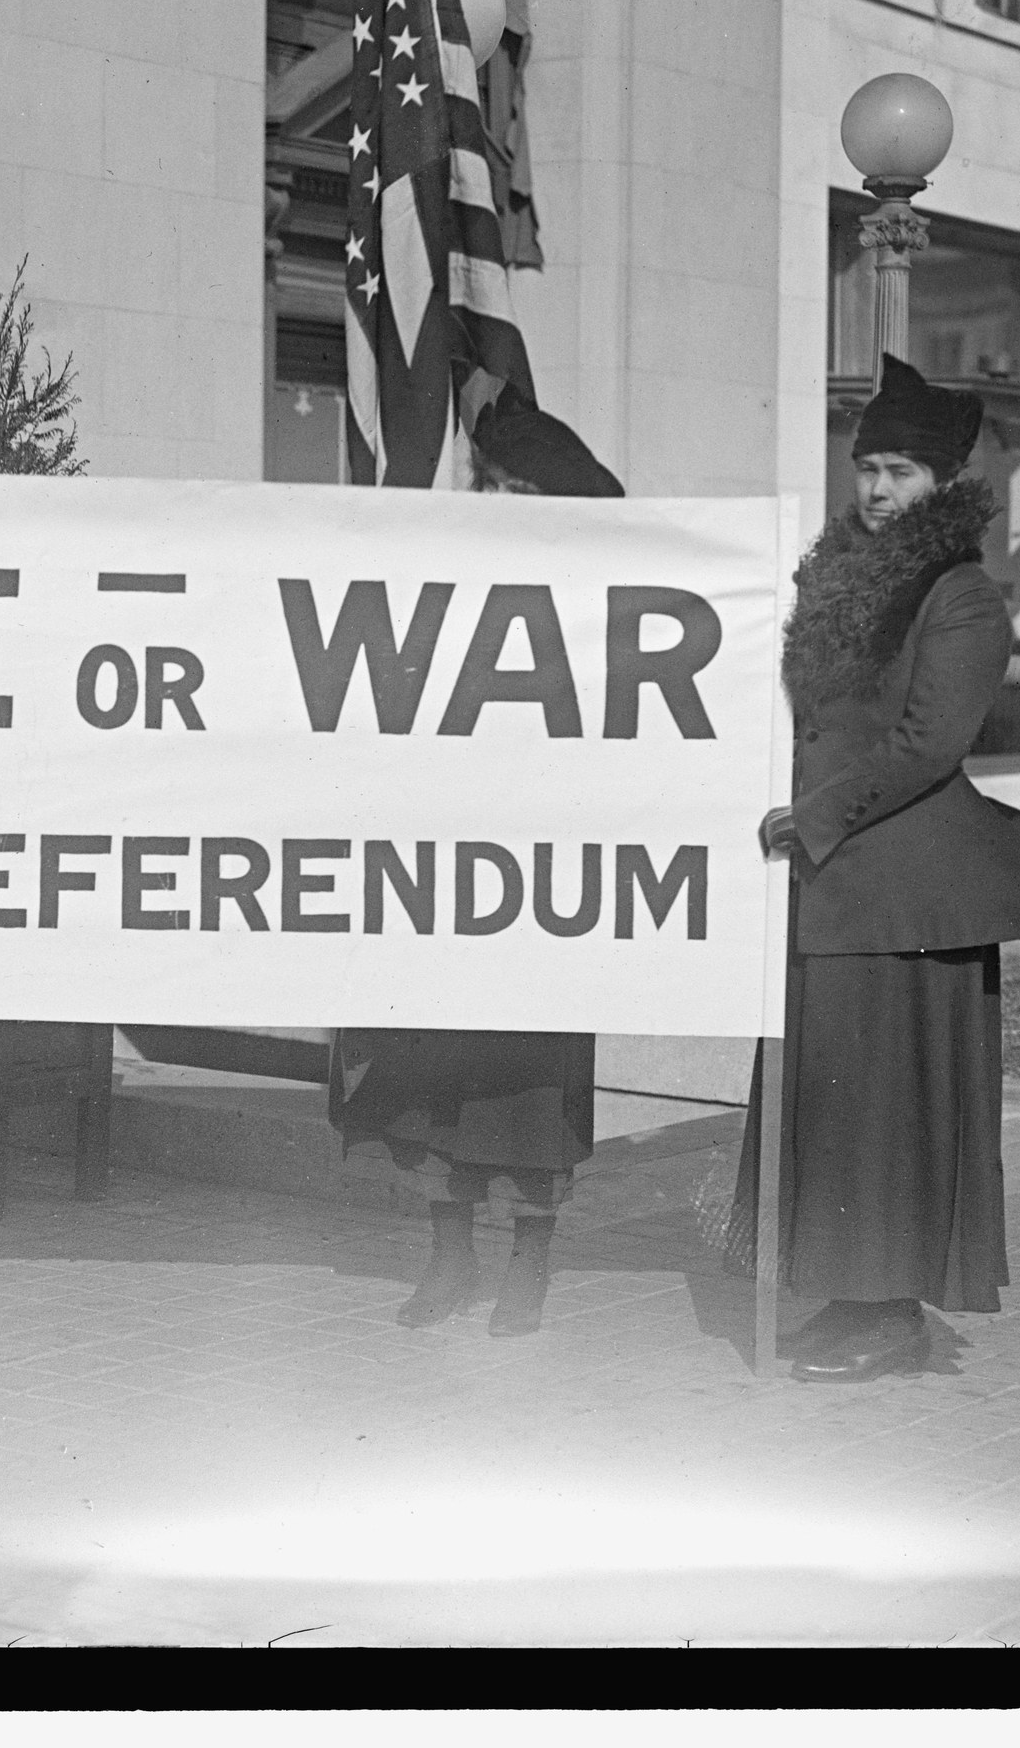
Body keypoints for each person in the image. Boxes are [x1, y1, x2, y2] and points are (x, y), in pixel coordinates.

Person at [733, 356, 1020, 1382]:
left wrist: (813, 817)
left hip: (904, 895)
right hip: (834, 886)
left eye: (900, 472)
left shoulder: (962, 598)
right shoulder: (839, 584)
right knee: (837, 1100)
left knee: (886, 1107)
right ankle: (850, 1294)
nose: (877, 489)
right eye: (868, 468)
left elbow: (927, 744)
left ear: (943, 482)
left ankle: (890, 1315)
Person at [329, 399, 618, 1339]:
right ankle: (449, 1257)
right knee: (432, 1086)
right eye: (487, 485)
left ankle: (529, 1262)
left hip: (544, 889)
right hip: (448, 880)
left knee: (529, 1091)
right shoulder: (442, 592)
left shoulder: (601, 607)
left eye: (516, 490)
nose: (494, 504)